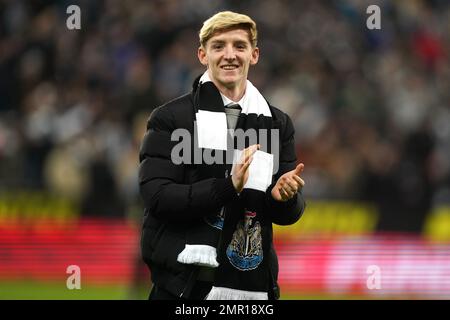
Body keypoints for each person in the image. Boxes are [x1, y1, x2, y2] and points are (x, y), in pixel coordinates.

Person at [138, 11, 306, 300]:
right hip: (182, 287)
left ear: (254, 55)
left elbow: (288, 213)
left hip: (252, 288)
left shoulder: (278, 124)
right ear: (203, 55)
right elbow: (157, 196)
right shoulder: (171, 118)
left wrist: (285, 198)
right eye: (219, 46)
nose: (230, 55)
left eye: (239, 46)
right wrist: (228, 187)